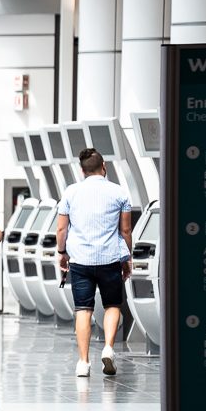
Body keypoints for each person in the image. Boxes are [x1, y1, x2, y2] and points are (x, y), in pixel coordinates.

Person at [56, 148, 133, 377]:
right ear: (104, 166)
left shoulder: (71, 192)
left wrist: (62, 252)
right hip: (109, 258)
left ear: (82, 170)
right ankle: (108, 348)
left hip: (80, 260)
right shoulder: (119, 193)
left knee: (83, 309)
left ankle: (83, 362)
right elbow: (126, 230)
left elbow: (61, 228)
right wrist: (126, 258)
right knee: (112, 305)